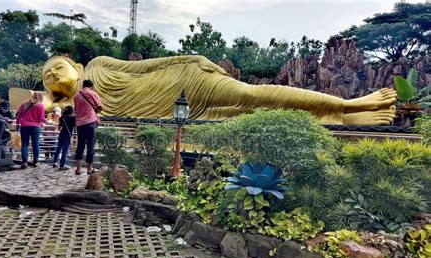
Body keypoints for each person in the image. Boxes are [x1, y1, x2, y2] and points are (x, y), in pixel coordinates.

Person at [30, 55, 396, 125]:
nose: (52, 75)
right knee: (242, 114)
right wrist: (52, 96)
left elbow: (147, 66)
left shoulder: (98, 64)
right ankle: (337, 117)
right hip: (178, 112)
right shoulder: (77, 102)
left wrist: (194, 58)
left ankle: (348, 104)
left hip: (186, 81)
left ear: (73, 64)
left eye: (55, 67)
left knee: (251, 96)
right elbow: (44, 108)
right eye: (47, 76)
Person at [73, 80, 102, 175]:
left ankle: (78, 169)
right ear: (91, 86)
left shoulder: (76, 96)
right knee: (90, 145)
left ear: (83, 85)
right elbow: (100, 107)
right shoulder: (93, 94)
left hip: (80, 123)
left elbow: (76, 109)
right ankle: (89, 168)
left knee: (80, 145)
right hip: (90, 122)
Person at [16, 92, 46, 169]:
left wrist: (17, 123)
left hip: (24, 126)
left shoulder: (24, 103)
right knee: (35, 144)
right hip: (35, 127)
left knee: (25, 144)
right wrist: (48, 121)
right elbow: (41, 118)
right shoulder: (40, 105)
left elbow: (19, 115)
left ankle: (24, 162)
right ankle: (35, 162)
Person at [52, 106, 76, 171]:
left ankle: (54, 162)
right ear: (71, 111)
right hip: (67, 136)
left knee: (58, 149)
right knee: (65, 151)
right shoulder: (73, 118)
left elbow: (59, 127)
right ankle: (62, 165)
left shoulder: (62, 118)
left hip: (61, 135)